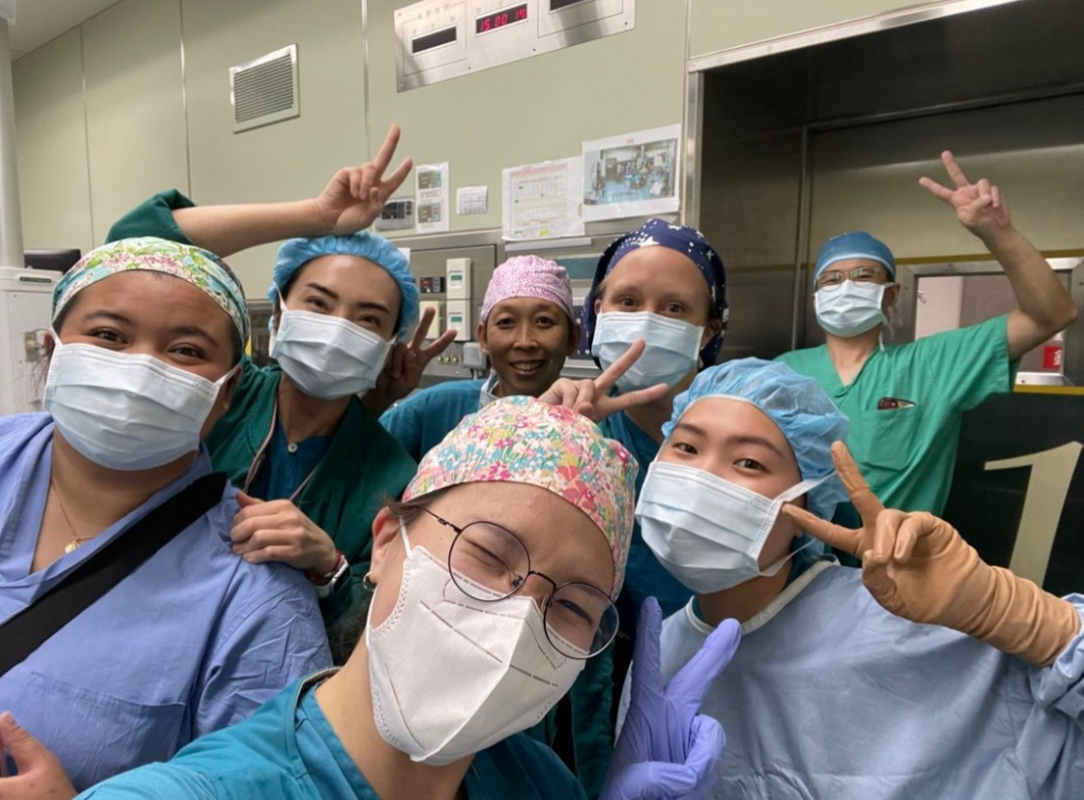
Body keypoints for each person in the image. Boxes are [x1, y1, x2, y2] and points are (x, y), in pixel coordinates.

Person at [76, 395, 741, 800]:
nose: (517, 623)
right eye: (487, 552)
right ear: (388, 538)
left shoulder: (540, 784)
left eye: (572, 606)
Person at [631, 358, 1084, 798]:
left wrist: (1019, 617)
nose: (703, 476)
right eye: (686, 448)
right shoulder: (660, 659)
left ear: (806, 503)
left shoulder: (916, 634)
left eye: (749, 463)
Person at [0, 238, 331, 796]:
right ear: (54, 351)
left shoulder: (254, 598)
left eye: (185, 351)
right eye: (109, 336)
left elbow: (269, 784)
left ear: (224, 394)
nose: (140, 367)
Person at [106, 126, 456, 635]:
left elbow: (382, 624)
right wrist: (314, 216)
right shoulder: (215, 395)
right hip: (137, 625)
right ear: (277, 308)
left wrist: (328, 567)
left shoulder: (389, 475)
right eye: (318, 302)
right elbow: (138, 246)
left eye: (368, 319)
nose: (338, 328)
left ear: (387, 346)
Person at [778, 151, 1078, 516]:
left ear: (891, 294)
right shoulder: (781, 373)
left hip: (898, 567)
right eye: (832, 279)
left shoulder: (933, 365)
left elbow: (1051, 314)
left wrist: (998, 234)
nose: (845, 287)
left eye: (863, 276)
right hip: (801, 565)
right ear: (815, 299)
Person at [580, 217, 728, 621]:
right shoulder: (579, 427)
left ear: (708, 329)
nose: (646, 323)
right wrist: (553, 440)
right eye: (627, 302)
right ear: (599, 311)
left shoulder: (754, 429)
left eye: (674, 308)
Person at [380, 255, 580, 462]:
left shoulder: (594, 420)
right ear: (483, 337)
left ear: (572, 338)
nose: (524, 342)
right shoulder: (432, 410)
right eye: (506, 322)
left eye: (544, 321)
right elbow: (351, 468)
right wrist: (378, 399)